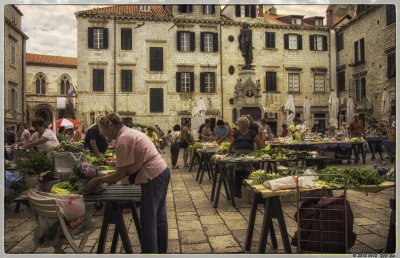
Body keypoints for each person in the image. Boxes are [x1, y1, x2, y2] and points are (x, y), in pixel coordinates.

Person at [85, 113, 170, 253]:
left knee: (148, 221)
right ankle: (161, 251)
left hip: (153, 176)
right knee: (159, 218)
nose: (103, 134)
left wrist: (98, 180)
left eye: (103, 130)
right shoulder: (129, 133)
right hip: (161, 171)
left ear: (110, 127)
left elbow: (119, 175)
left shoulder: (123, 140)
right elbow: (131, 161)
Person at [228, 117, 262, 197]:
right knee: (237, 172)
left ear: (245, 125)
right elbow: (231, 145)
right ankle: (237, 192)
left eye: (240, 124)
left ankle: (247, 191)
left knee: (247, 172)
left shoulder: (252, 133)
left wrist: (257, 154)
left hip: (249, 156)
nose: (239, 125)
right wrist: (228, 154)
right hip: (238, 156)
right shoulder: (236, 133)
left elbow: (259, 144)